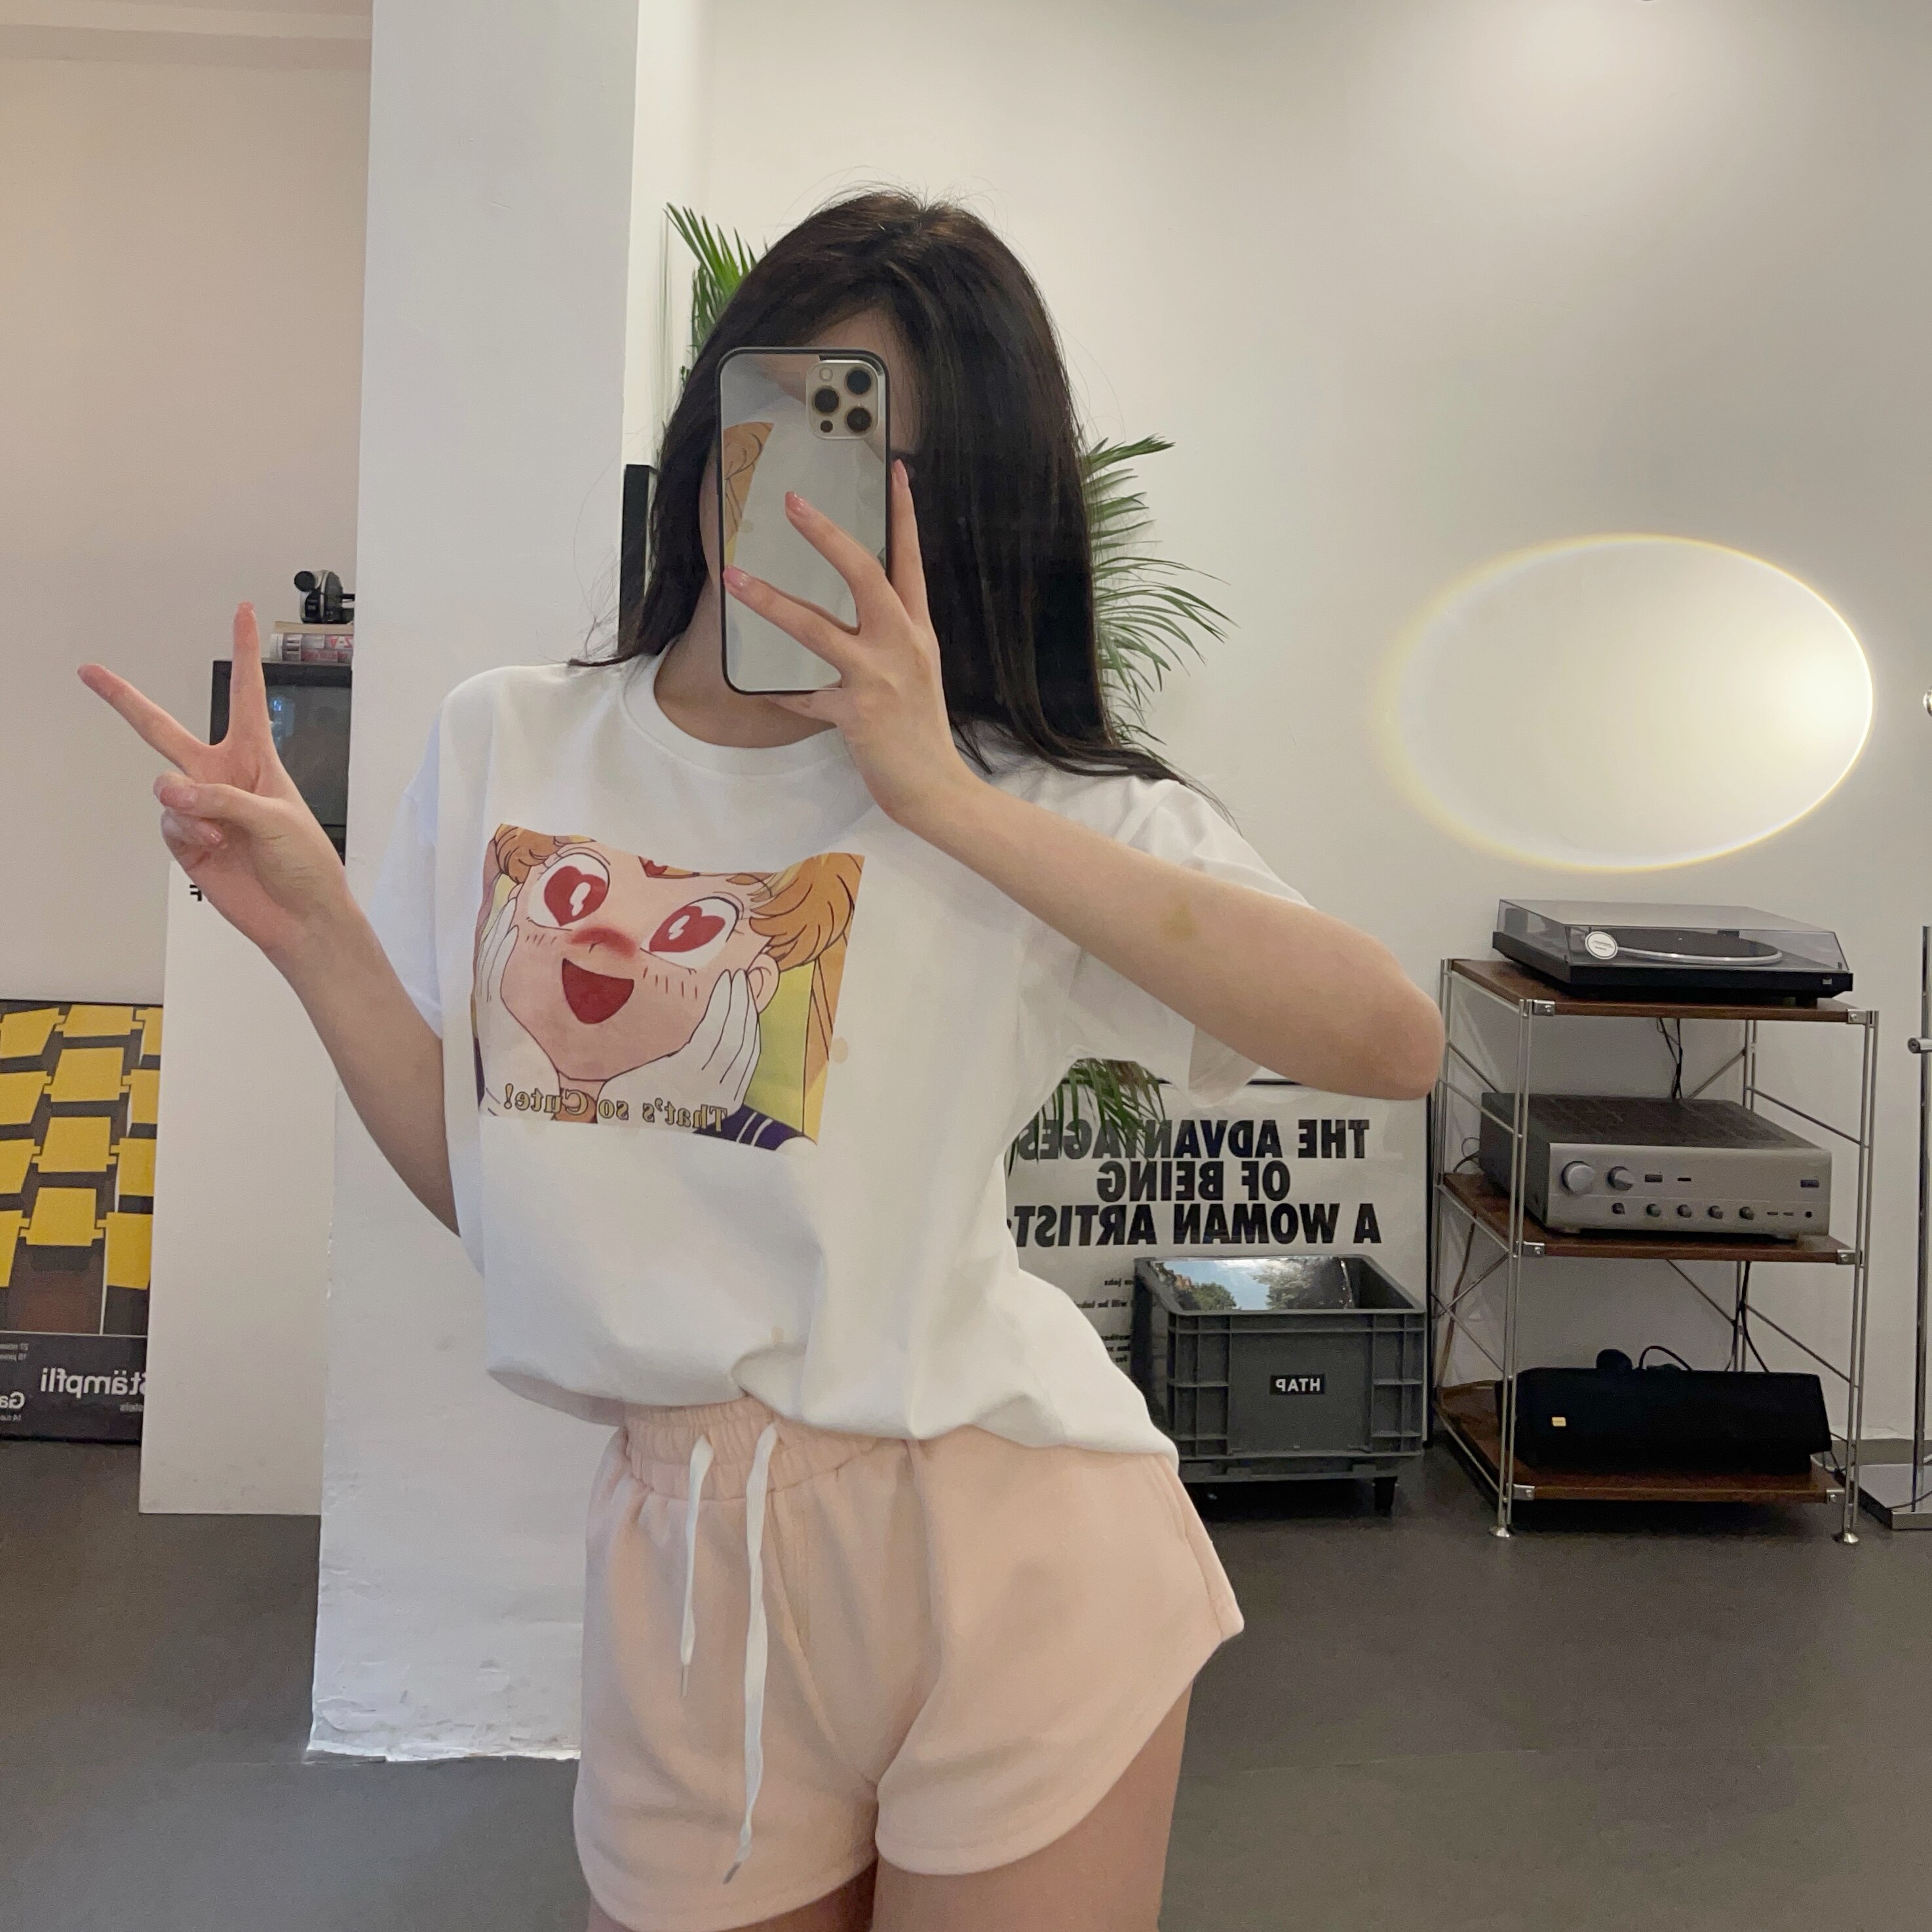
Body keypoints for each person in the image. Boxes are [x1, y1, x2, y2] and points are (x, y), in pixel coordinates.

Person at [80, 192, 1444, 1932]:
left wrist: (932, 792)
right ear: (706, 428)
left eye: (875, 456)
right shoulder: (517, 736)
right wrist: (311, 930)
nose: (805, 491)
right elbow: (503, 1189)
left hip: (1002, 1527)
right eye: (780, 414)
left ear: (967, 506)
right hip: (680, 1555)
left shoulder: (1028, 797)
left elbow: (1383, 1036)